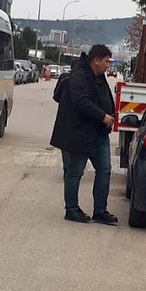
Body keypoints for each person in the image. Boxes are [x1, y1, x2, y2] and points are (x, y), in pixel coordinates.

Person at [50, 44, 118, 225]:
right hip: (79, 133)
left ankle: (100, 210)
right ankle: (71, 209)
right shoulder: (79, 76)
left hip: (98, 133)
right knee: (75, 172)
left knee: (104, 170)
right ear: (96, 60)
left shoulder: (100, 77)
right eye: (106, 61)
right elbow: (81, 102)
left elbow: (105, 98)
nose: (107, 65)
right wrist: (103, 116)